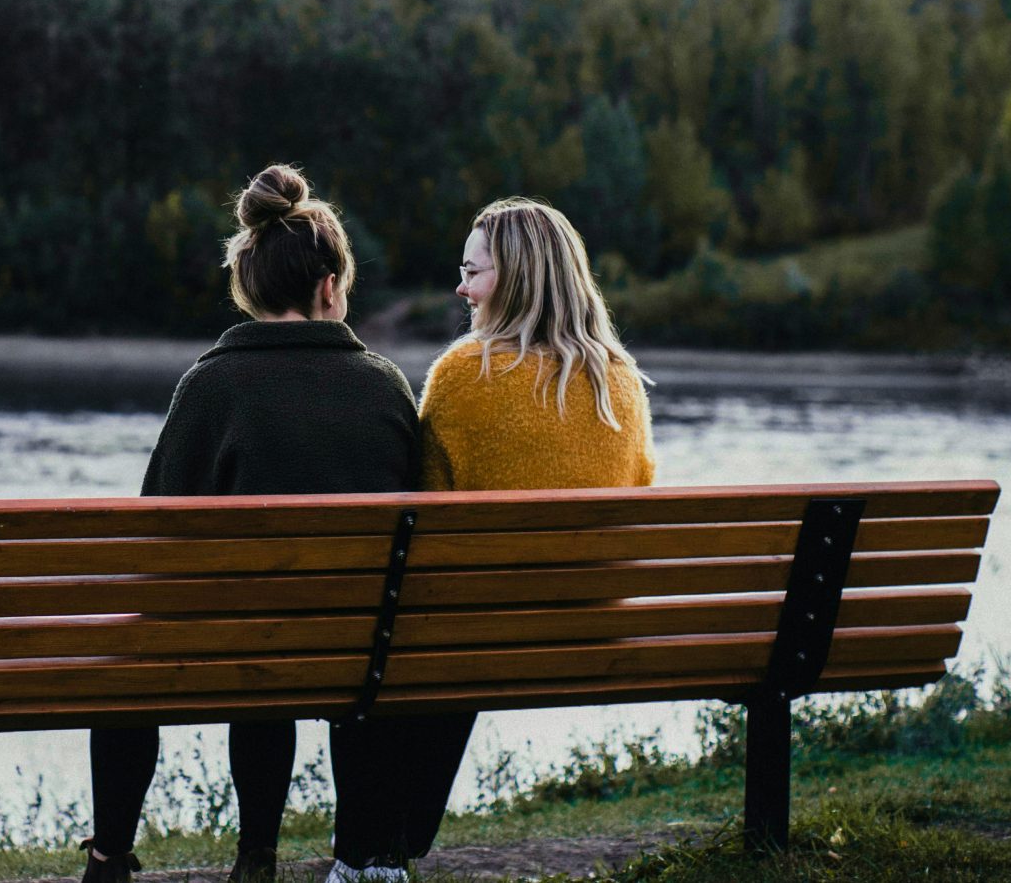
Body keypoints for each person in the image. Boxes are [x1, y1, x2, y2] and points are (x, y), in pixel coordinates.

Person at [80, 164, 420, 883]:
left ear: (253, 285)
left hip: (238, 643)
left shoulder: (213, 384)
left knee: (161, 651)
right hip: (361, 646)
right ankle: (257, 854)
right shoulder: (386, 385)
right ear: (331, 286)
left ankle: (112, 858)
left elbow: (157, 538)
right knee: (284, 636)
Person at [388, 196, 657, 866]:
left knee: (413, 629)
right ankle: (401, 843)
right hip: (591, 626)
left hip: (483, 633)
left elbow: (424, 521)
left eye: (472, 271)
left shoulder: (464, 375)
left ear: (515, 278)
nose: (461, 287)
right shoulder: (620, 383)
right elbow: (638, 500)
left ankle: (388, 846)